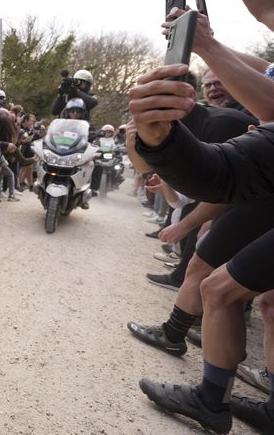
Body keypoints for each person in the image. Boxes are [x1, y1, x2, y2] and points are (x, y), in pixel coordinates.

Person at [130, 63, 274, 434]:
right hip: (256, 196)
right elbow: (180, 190)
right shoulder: (200, 122)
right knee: (267, 302)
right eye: (209, 82)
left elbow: (220, 180)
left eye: (217, 82)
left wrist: (188, 223)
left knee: (218, 288)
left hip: (252, 196)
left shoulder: (220, 123)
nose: (214, 88)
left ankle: (210, 399)